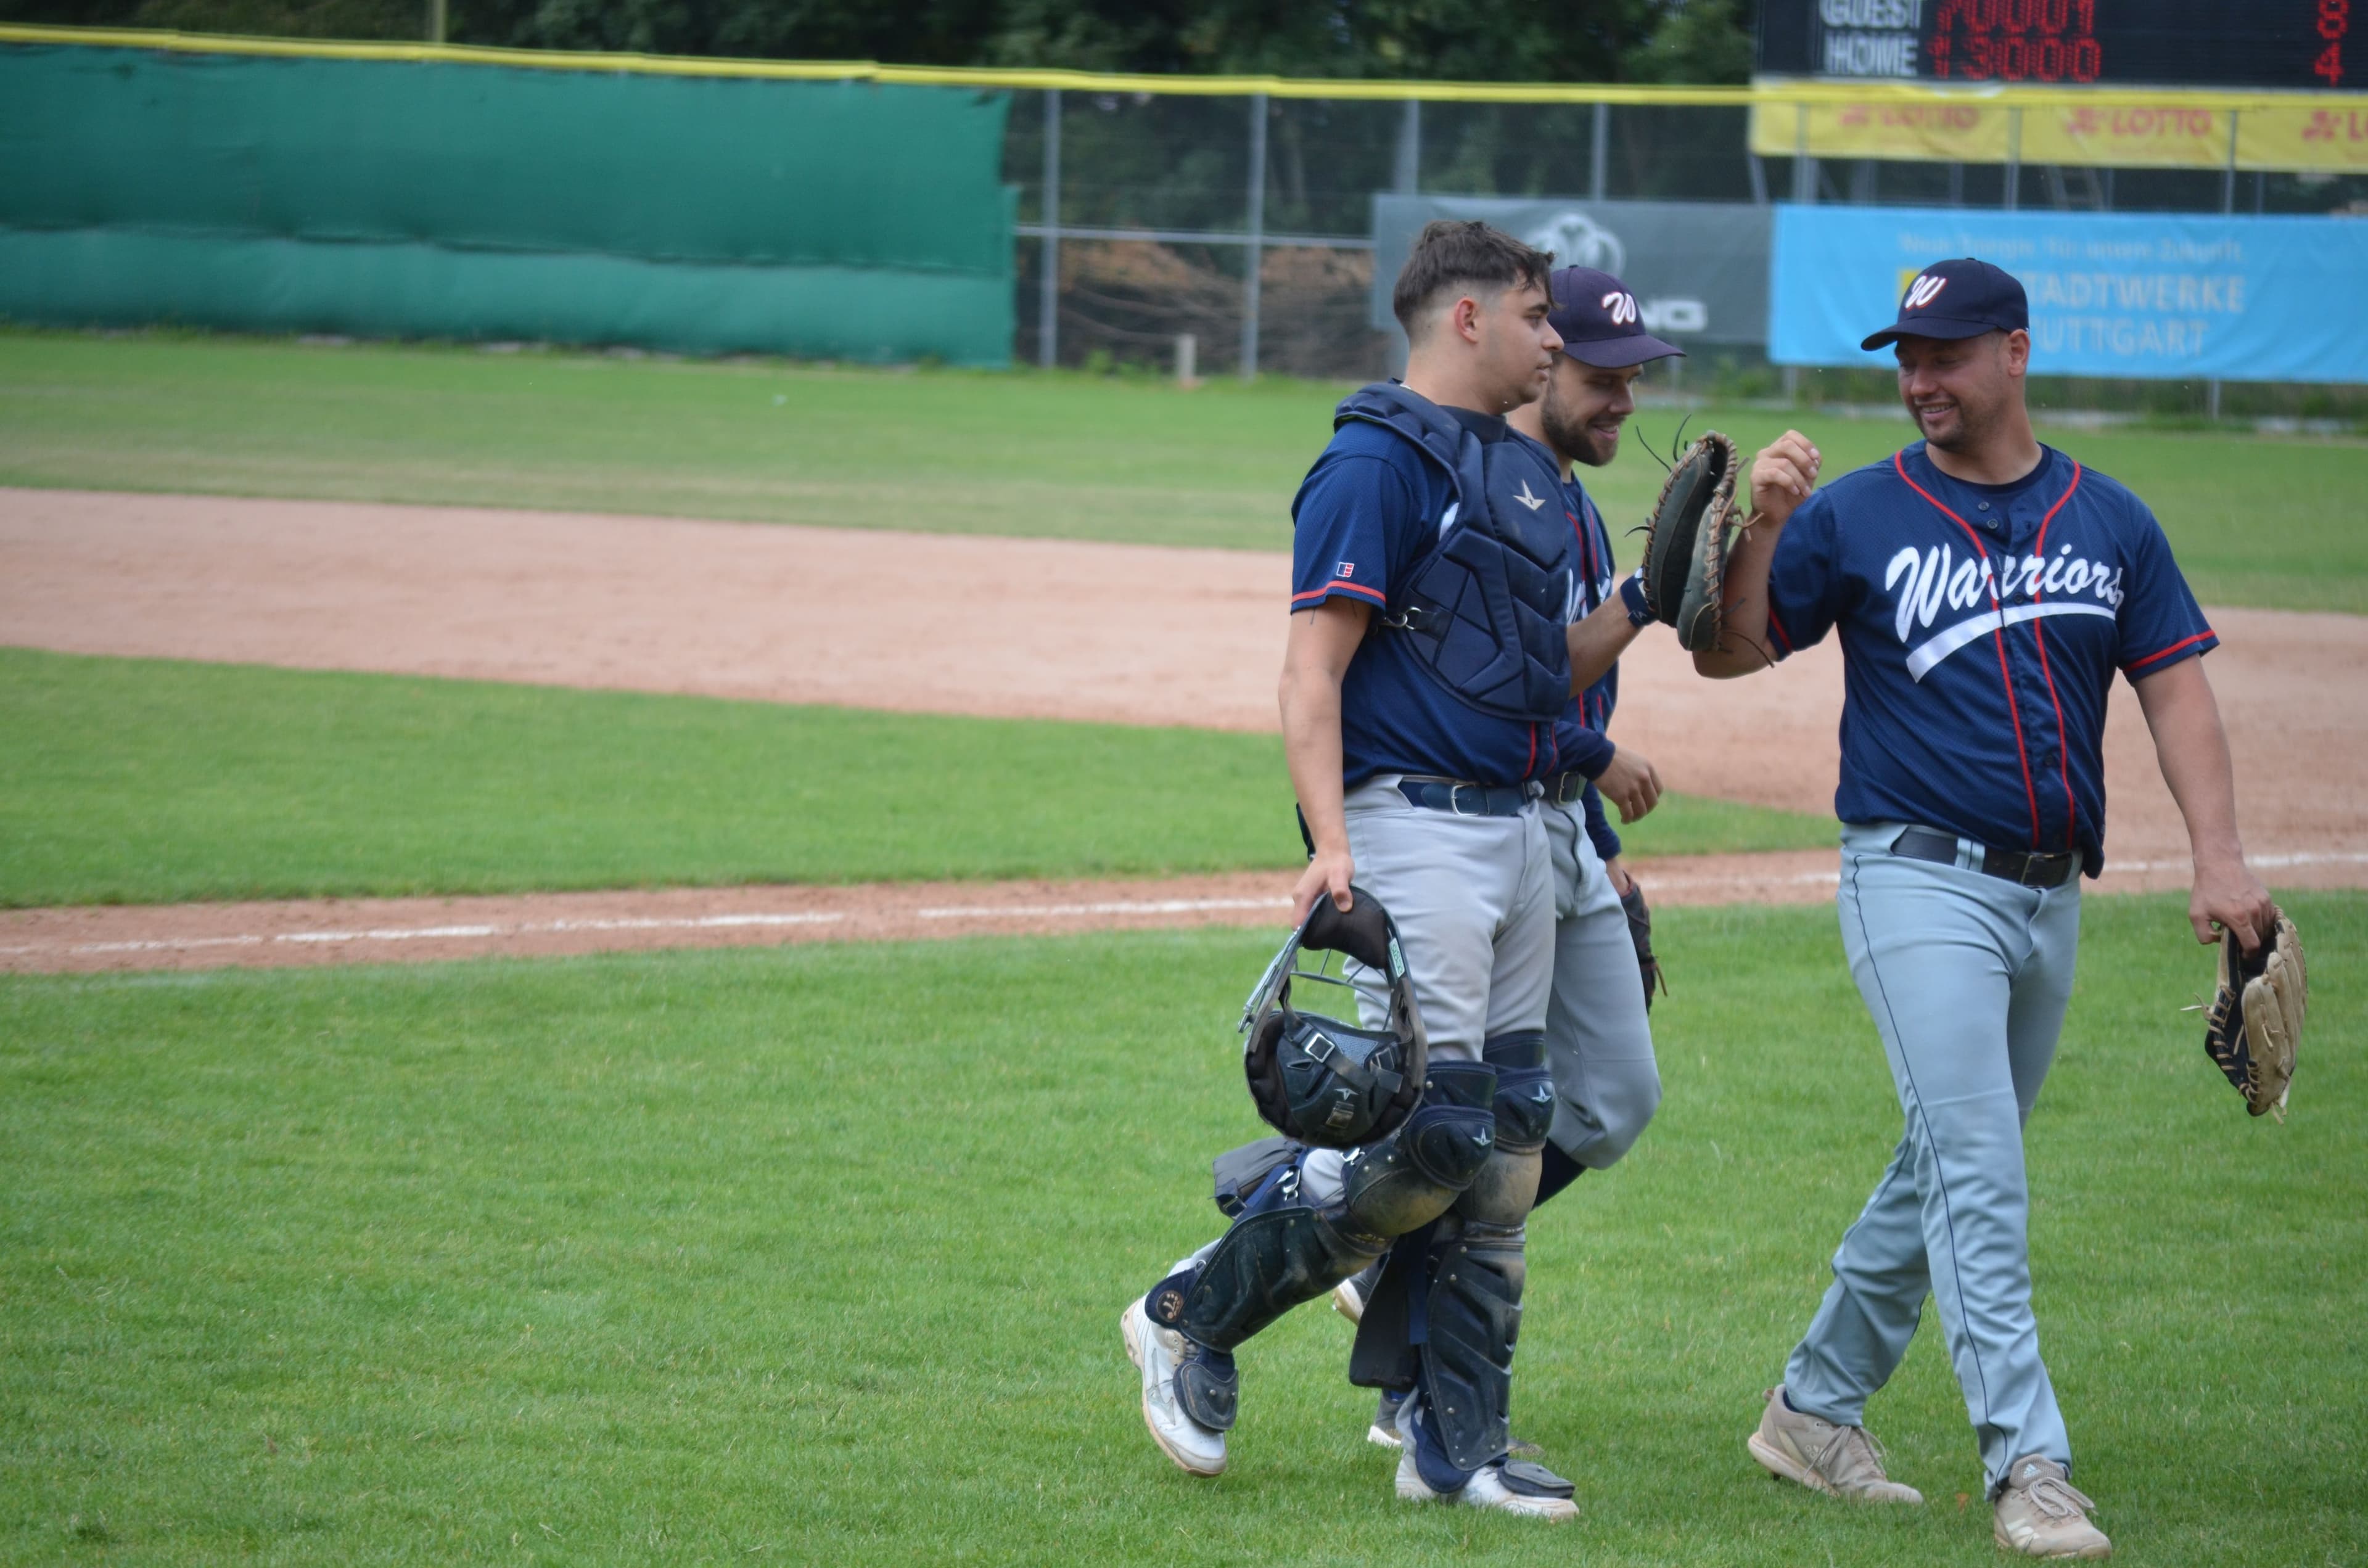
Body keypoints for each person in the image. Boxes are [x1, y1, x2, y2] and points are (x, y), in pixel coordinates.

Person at [1694, 258, 2276, 1559]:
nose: (1920, 380)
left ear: (2014, 352)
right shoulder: (1854, 514)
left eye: (1946, 354)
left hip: (2047, 893)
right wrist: (1768, 524)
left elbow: (2175, 687)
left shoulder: (2109, 519)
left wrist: (2220, 857)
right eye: (1906, 356)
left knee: (1945, 1162)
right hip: (1912, 878)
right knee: (1982, 1171)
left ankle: (1813, 1408)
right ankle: (2030, 1464)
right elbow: (1727, 650)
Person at [1122, 221, 1651, 1521]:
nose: (1553, 338)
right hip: (1413, 828)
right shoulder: (1373, 463)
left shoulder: (1522, 479)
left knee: (1509, 1151)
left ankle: (1455, 1447)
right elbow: (1314, 669)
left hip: (1525, 830)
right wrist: (1334, 851)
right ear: (1465, 320)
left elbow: (1537, 681)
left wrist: (1649, 594)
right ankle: (1191, 1314)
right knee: (1440, 1137)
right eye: (1535, 316)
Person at [1341, 266, 1679, 1458]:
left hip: (1553, 825)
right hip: (1482, 818)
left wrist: (1602, 840)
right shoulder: (1476, 484)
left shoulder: (1570, 499)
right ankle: (1358, 1303)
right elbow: (1514, 690)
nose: (1622, 400)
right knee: (1462, 1118)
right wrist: (1604, 726)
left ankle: (1386, 1257)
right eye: (1597, 372)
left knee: (1605, 1098)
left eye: (1634, 379)